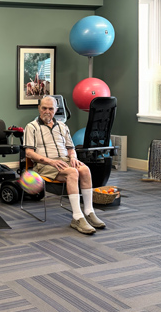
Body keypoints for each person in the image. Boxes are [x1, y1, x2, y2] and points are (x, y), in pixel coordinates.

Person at [23, 95, 106, 235]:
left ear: (56, 110)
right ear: (39, 109)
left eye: (50, 109)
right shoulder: (31, 127)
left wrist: (73, 157)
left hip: (64, 161)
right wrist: (51, 161)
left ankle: (89, 211)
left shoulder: (63, 126)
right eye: (44, 108)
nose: (47, 111)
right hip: (45, 164)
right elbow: (29, 153)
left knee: (85, 170)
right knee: (72, 173)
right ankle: (77, 217)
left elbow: (70, 148)